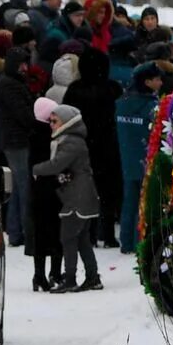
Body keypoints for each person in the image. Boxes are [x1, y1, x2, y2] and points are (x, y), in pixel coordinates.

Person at [33, 102, 101, 293]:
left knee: (68, 238)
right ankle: (92, 277)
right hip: (82, 196)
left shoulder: (70, 142)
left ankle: (70, 279)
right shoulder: (72, 140)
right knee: (82, 240)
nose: (51, 124)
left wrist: (35, 169)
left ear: (67, 123)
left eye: (55, 121)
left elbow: (56, 164)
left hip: (77, 198)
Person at [65, 46, 123, 248]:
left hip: (82, 147)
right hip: (107, 147)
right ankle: (107, 233)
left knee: (84, 191)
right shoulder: (112, 89)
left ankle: (88, 234)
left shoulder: (74, 90)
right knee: (108, 192)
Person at [114, 63, 164, 253]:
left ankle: (126, 241)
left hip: (127, 158)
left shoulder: (121, 103)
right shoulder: (153, 106)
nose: (160, 82)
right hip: (147, 159)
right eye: (157, 79)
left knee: (129, 202)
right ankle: (140, 241)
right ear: (147, 82)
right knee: (145, 203)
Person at [0, 49, 39, 247]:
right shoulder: (10, 85)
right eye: (22, 64)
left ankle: (15, 231)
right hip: (17, 142)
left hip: (14, 140)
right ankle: (26, 232)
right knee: (24, 188)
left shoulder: (10, 82)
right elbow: (23, 114)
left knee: (17, 188)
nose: (25, 68)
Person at [26, 95, 64, 289]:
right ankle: (55, 273)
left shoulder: (33, 136)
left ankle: (38, 275)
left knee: (40, 233)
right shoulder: (52, 138)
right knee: (58, 232)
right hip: (54, 191)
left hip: (38, 192)